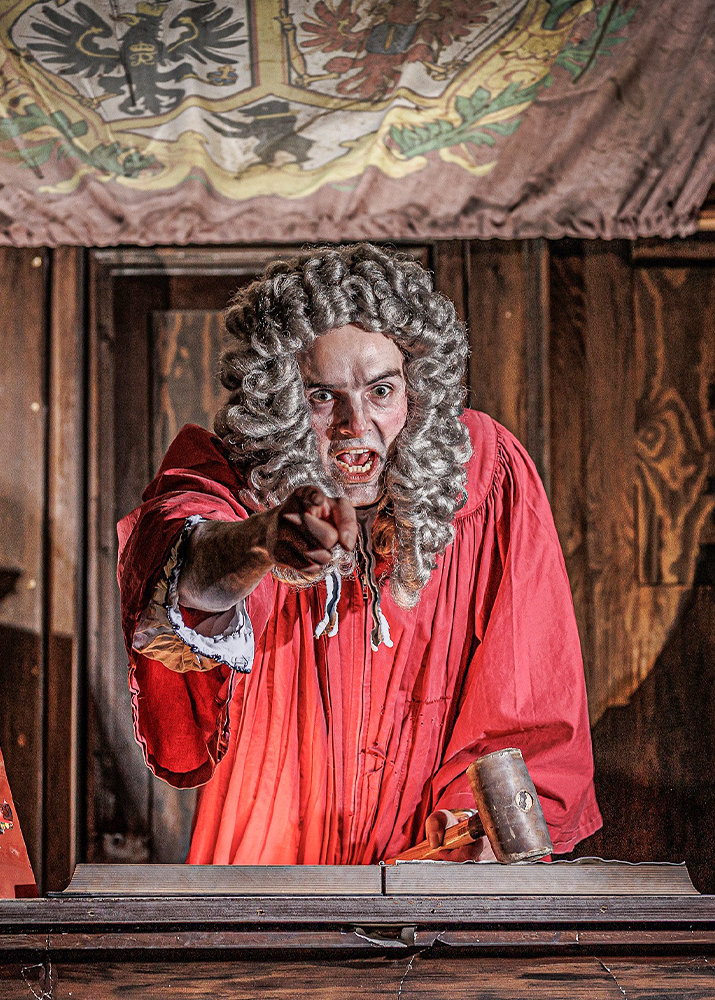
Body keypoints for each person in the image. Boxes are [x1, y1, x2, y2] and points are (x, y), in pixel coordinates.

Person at [117, 244, 600, 864]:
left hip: (435, 853)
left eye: (381, 390)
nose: (356, 424)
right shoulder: (233, 476)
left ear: (417, 385)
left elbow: (530, 687)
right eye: (323, 396)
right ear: (283, 396)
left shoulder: (485, 472)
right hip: (275, 853)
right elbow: (183, 554)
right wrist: (264, 540)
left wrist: (481, 829)